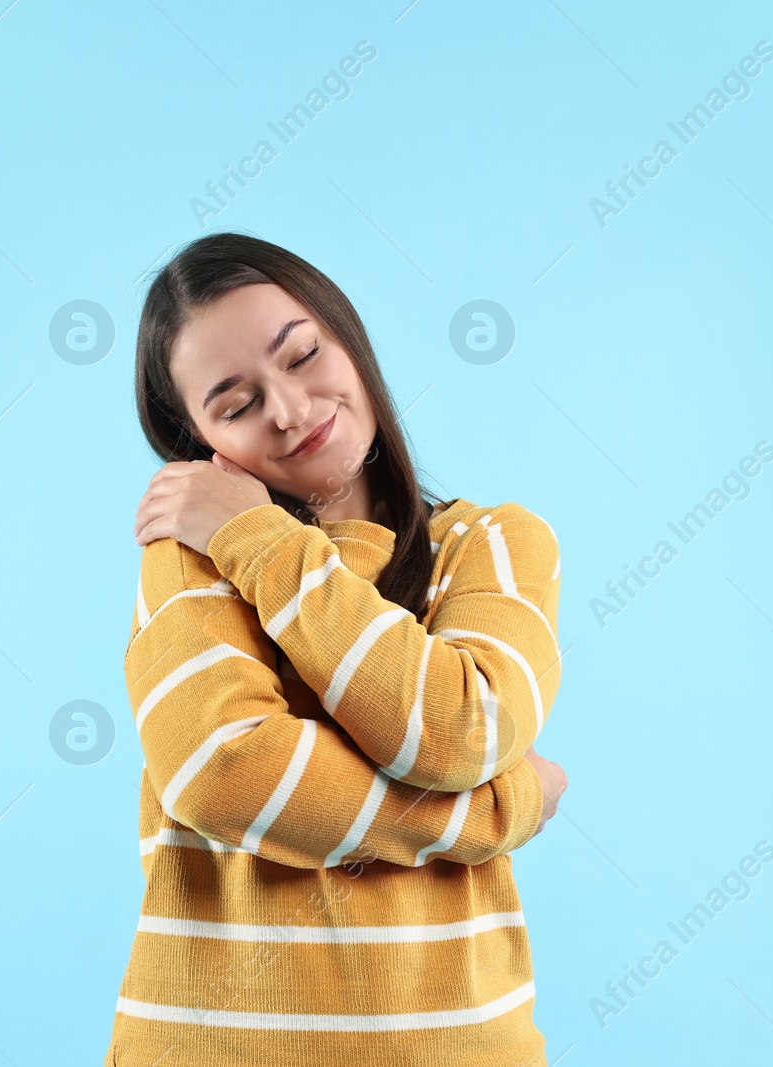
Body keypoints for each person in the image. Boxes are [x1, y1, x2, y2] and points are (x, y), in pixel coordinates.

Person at [107, 232, 568, 1067]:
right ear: (199, 440)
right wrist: (499, 809)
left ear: (347, 338)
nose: (289, 409)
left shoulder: (490, 543)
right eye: (236, 403)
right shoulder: (190, 554)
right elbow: (225, 773)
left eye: (302, 354)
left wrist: (261, 541)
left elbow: (461, 727)